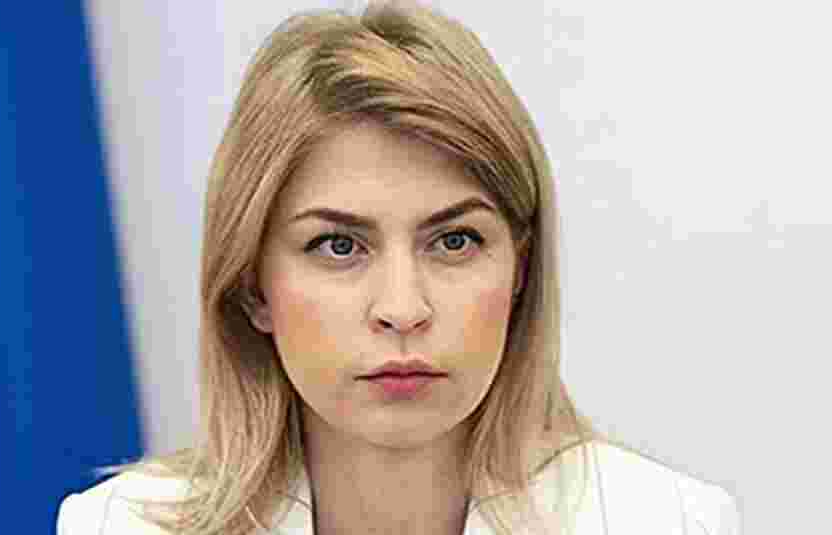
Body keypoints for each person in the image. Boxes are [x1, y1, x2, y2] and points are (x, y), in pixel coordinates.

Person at [57, 2, 741, 534]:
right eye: (338, 246)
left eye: (454, 241)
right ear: (251, 284)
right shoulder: (117, 527)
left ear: (521, 270)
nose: (403, 309)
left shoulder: (670, 521)